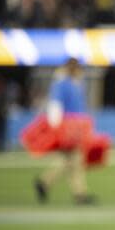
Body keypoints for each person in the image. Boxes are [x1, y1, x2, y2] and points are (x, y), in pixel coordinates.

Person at [33, 58, 97, 205]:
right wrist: (56, 126)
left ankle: (45, 183)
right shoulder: (62, 84)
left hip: (76, 126)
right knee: (74, 159)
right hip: (68, 127)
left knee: (71, 160)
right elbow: (55, 104)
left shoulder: (75, 83)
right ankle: (78, 194)